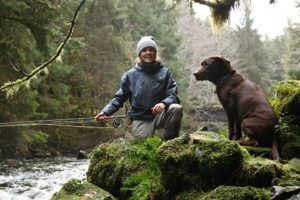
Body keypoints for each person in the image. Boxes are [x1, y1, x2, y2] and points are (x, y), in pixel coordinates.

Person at [94, 36, 183, 140]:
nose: (148, 53)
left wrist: (163, 103)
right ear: (140, 54)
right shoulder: (130, 75)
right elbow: (119, 98)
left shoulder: (165, 73)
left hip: (160, 115)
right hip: (140, 117)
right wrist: (106, 112)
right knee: (143, 149)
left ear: (155, 53)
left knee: (176, 108)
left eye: (151, 50)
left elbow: (173, 95)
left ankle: (169, 145)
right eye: (144, 50)